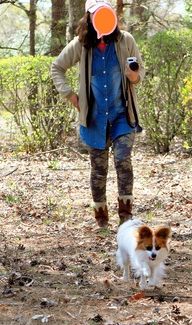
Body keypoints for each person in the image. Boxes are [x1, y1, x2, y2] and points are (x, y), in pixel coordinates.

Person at [51, 0, 144, 229]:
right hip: (94, 118)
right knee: (99, 169)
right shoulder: (81, 44)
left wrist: (133, 76)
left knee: (123, 160)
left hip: (122, 115)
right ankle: (101, 219)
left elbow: (140, 73)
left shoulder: (126, 40)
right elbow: (57, 67)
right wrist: (71, 95)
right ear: (90, 17)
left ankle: (126, 217)